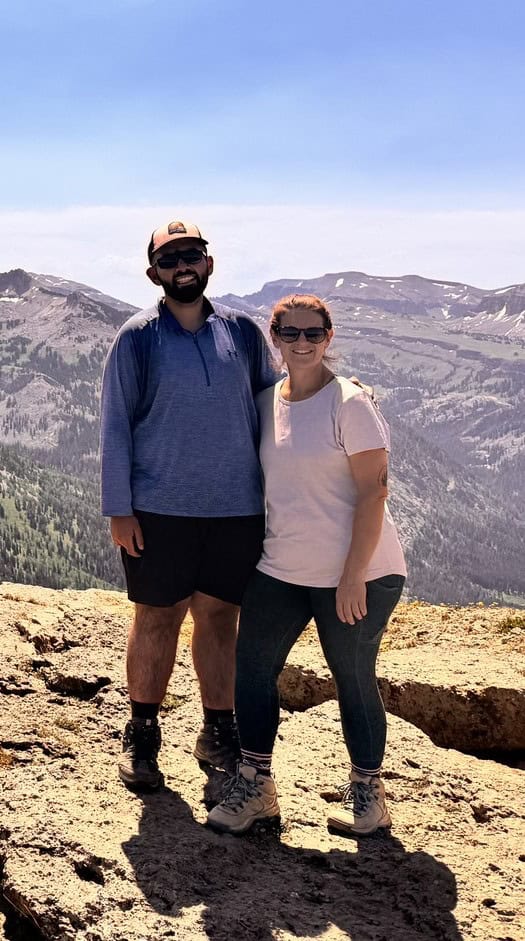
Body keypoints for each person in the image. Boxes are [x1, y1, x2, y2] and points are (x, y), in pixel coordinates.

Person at [207, 293, 407, 837]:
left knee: (352, 675)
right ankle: (256, 785)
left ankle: (368, 793)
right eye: (289, 333)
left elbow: (374, 493)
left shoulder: (350, 403)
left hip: (358, 571)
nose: (301, 343)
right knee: (251, 668)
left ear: (329, 338)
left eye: (312, 334)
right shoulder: (268, 399)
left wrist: (351, 576)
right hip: (283, 566)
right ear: (275, 338)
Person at [100, 219, 277, 791]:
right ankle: (143, 734)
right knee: (157, 618)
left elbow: (275, 414)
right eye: (171, 258)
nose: (183, 266)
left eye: (192, 254)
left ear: (209, 263)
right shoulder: (136, 337)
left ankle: (216, 730)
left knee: (220, 618)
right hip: (158, 509)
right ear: (155, 272)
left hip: (236, 509)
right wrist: (118, 508)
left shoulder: (243, 333)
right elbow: (115, 427)